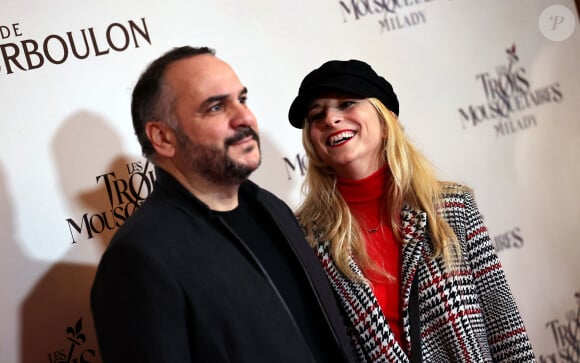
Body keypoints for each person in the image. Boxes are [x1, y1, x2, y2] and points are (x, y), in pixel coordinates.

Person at [90, 46, 357, 363]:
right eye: (216, 107)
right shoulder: (139, 258)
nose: (244, 117)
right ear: (163, 137)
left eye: (241, 99)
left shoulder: (271, 208)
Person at [287, 59, 536, 362]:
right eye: (316, 115)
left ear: (385, 118)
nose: (330, 119)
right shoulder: (306, 238)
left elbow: (504, 324)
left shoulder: (452, 206)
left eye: (347, 103)